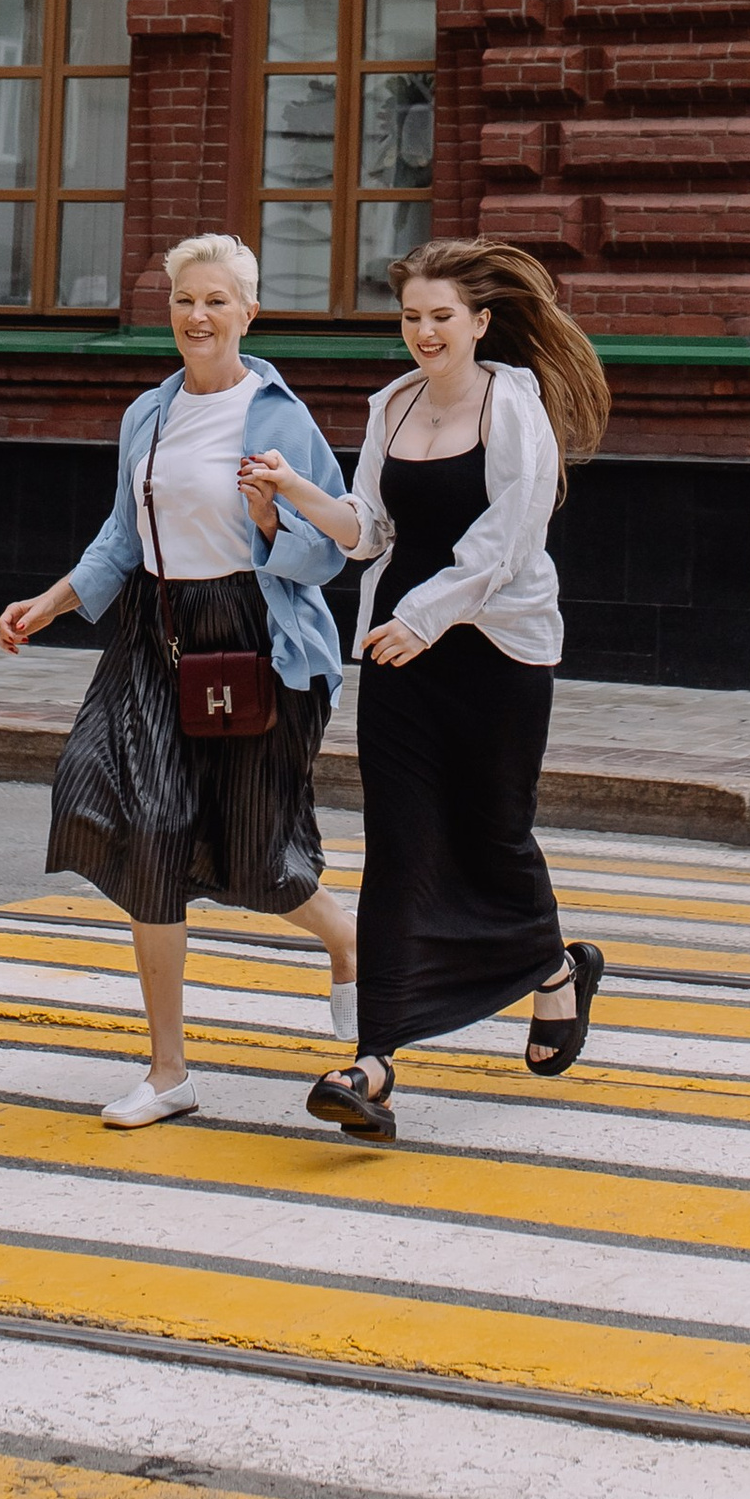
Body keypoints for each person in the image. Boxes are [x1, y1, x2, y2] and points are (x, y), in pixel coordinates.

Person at [244, 235, 609, 1143]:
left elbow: (510, 536)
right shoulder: (394, 406)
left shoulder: (511, 404)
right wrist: (294, 489)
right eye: (411, 317)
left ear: (481, 322)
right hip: (399, 652)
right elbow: (368, 531)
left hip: (497, 650)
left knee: (493, 831)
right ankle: (373, 1064)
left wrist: (428, 615)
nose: (424, 333)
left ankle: (555, 970)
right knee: (403, 847)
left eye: (441, 317)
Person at [0, 231, 356, 1125]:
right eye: (185, 300)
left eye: (217, 301)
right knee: (140, 828)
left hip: (253, 639)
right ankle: (168, 1073)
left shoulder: (278, 416)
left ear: (249, 313)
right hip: (153, 635)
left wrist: (274, 519)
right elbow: (123, 535)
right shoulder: (147, 414)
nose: (199, 316)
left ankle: (353, 946)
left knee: (259, 856)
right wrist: (51, 602)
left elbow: (328, 554)